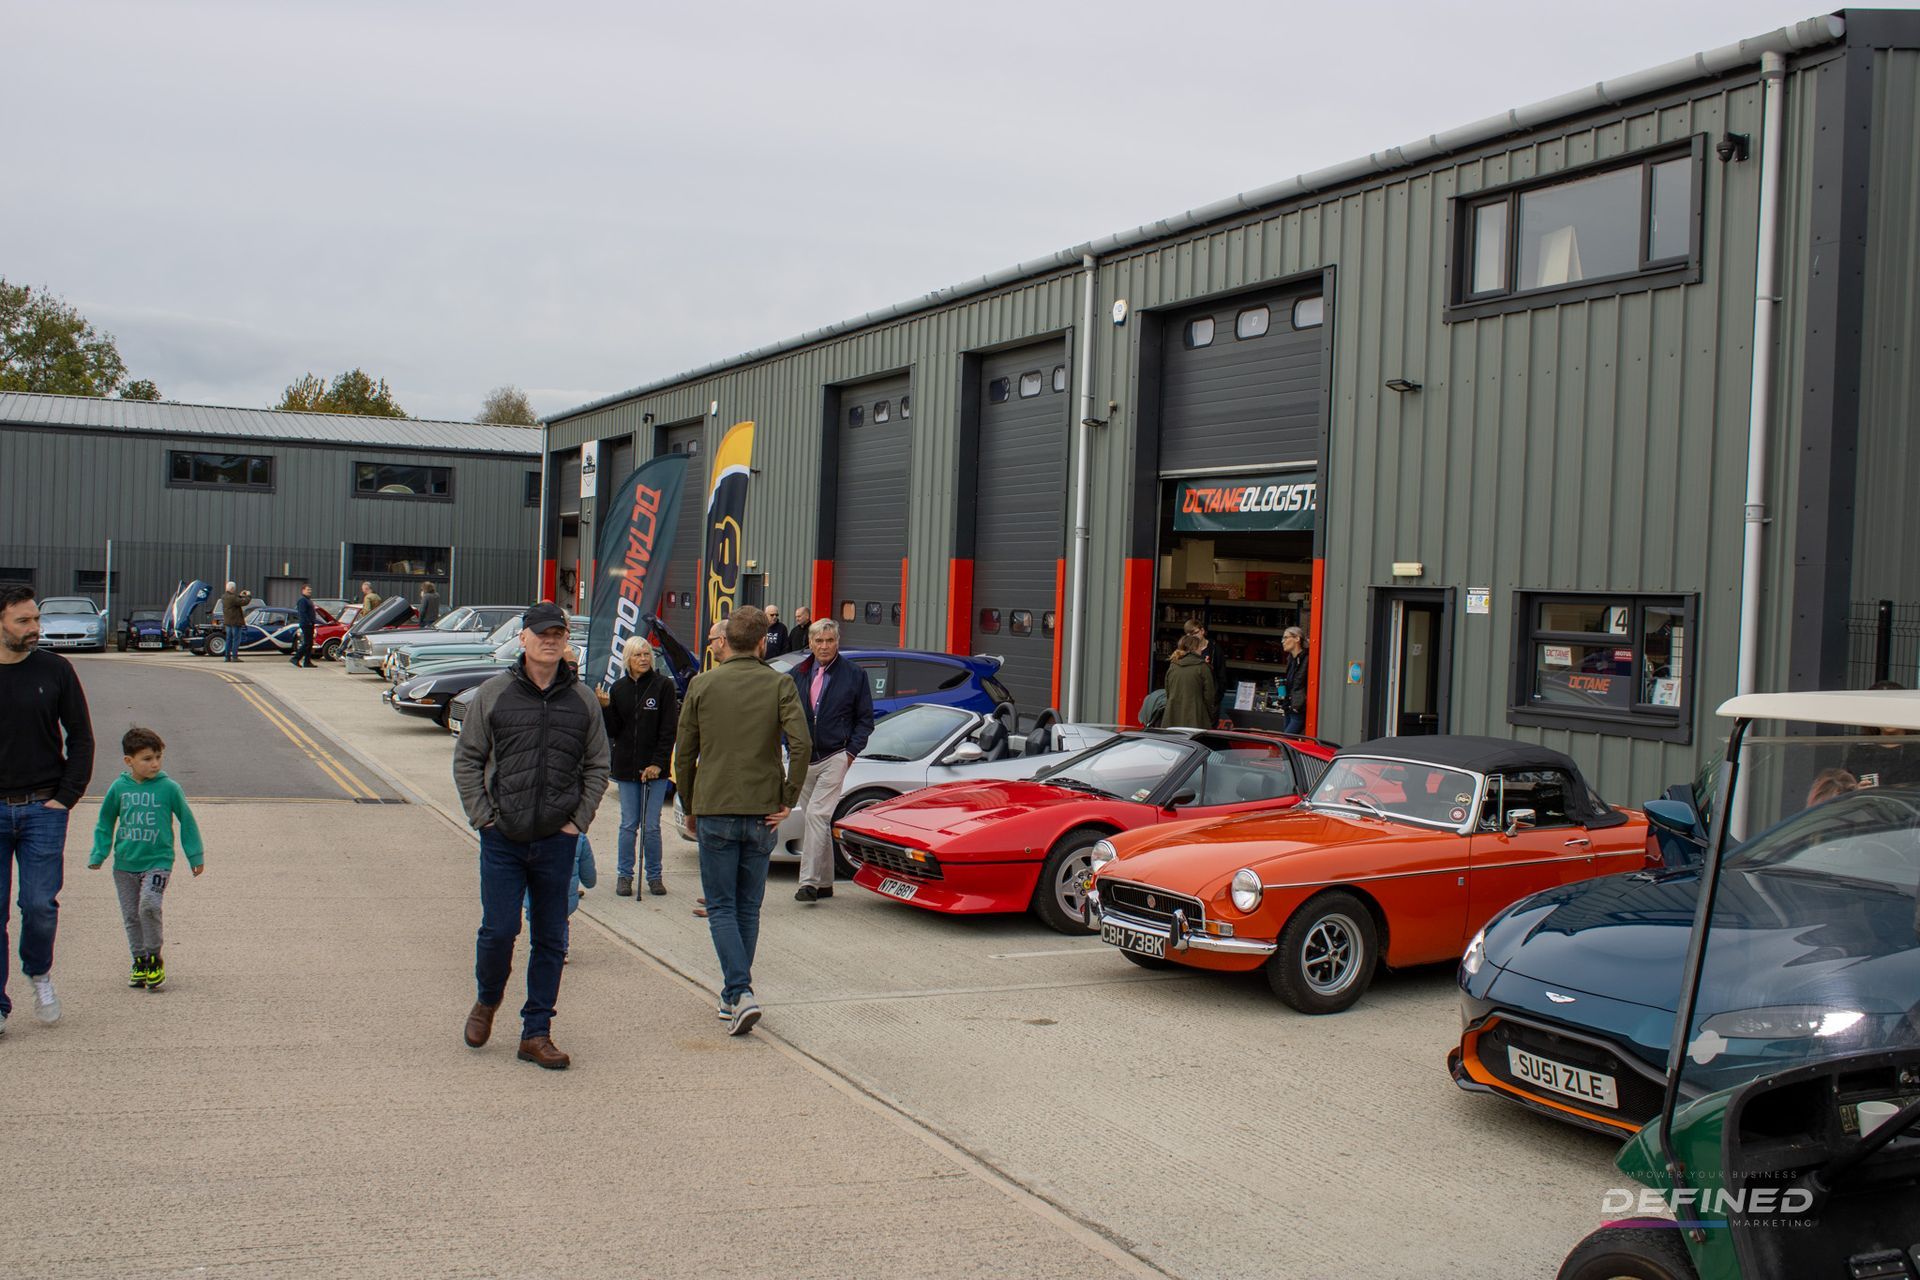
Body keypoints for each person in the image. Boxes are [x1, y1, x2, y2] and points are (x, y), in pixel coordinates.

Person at [453, 601, 611, 1070]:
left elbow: (597, 766)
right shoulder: (494, 694)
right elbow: (467, 759)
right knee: (499, 931)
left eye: (558, 633)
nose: (550, 640)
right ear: (523, 638)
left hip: (557, 841)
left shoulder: (582, 700)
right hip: (503, 838)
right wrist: (482, 816)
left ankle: (536, 1031)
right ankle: (487, 1001)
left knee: (551, 938)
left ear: (566, 641)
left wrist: (575, 822)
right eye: (541, 633)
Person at [673, 606, 810, 1035]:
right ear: (763, 642)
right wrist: (788, 797)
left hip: (714, 806)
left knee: (721, 907)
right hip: (762, 810)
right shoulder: (780, 683)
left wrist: (690, 804)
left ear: (726, 642)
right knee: (748, 906)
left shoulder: (703, 684)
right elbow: (802, 745)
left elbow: (683, 753)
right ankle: (734, 995)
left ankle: (739, 989)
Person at [0, 584, 94, 1033]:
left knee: (39, 906)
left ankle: (38, 973)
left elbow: (81, 737)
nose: (35, 628)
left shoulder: (56, 670)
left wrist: (65, 798)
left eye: (36, 619)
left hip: (43, 809)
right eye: (24, 621)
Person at [87, 727, 204, 991]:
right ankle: (139, 960)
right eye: (147, 758)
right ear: (129, 761)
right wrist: (99, 852)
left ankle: (154, 958)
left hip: (158, 861)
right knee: (131, 915)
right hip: (125, 864)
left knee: (149, 906)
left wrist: (194, 855)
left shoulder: (169, 788)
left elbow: (187, 821)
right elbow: (105, 821)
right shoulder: (119, 788)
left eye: (158, 757)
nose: (155, 763)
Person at [786, 619, 875, 902]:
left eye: (830, 641)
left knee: (817, 816)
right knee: (818, 822)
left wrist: (850, 753)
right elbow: (783, 715)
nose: (824, 646)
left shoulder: (854, 675)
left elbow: (865, 720)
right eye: (819, 641)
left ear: (838, 642)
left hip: (835, 755)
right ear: (810, 643)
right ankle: (825, 883)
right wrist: (788, 744)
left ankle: (808, 883)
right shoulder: (795, 674)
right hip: (802, 760)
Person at [597, 634, 678, 897]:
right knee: (628, 824)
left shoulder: (663, 685)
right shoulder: (618, 689)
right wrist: (607, 707)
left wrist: (657, 763)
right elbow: (615, 731)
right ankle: (624, 876)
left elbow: (668, 730)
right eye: (637, 655)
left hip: (656, 770)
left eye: (646, 654)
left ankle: (654, 875)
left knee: (651, 825)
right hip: (626, 768)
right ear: (628, 659)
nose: (643, 659)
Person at [1164, 633, 1217, 729]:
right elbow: (1209, 697)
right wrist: (1209, 716)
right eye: (1200, 647)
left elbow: (1168, 692)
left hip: (1172, 717)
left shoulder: (1173, 666)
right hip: (1196, 718)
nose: (1201, 649)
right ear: (1194, 649)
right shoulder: (1203, 667)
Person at [1279, 626, 1310, 736]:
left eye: (1286, 638)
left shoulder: (1307, 658)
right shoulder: (1291, 659)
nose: (1283, 641)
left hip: (1298, 709)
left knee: (1285, 740)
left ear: (1297, 638)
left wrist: (1299, 704)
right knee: (1287, 741)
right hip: (1289, 707)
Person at [216, 581, 251, 663]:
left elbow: (235, 599)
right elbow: (244, 602)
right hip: (235, 622)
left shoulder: (224, 597)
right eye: (234, 589)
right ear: (232, 588)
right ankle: (234, 656)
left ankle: (227, 657)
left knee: (228, 639)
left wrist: (240, 595)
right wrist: (248, 595)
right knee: (236, 639)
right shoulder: (232, 598)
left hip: (228, 622)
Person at [292, 584, 318, 668]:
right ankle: (296, 658)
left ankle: (307, 662)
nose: (309, 591)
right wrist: (308, 622)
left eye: (310, 590)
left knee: (310, 644)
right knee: (307, 643)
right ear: (303, 590)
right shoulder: (302, 600)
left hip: (310, 624)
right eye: (308, 590)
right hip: (306, 624)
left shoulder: (308, 600)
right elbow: (302, 613)